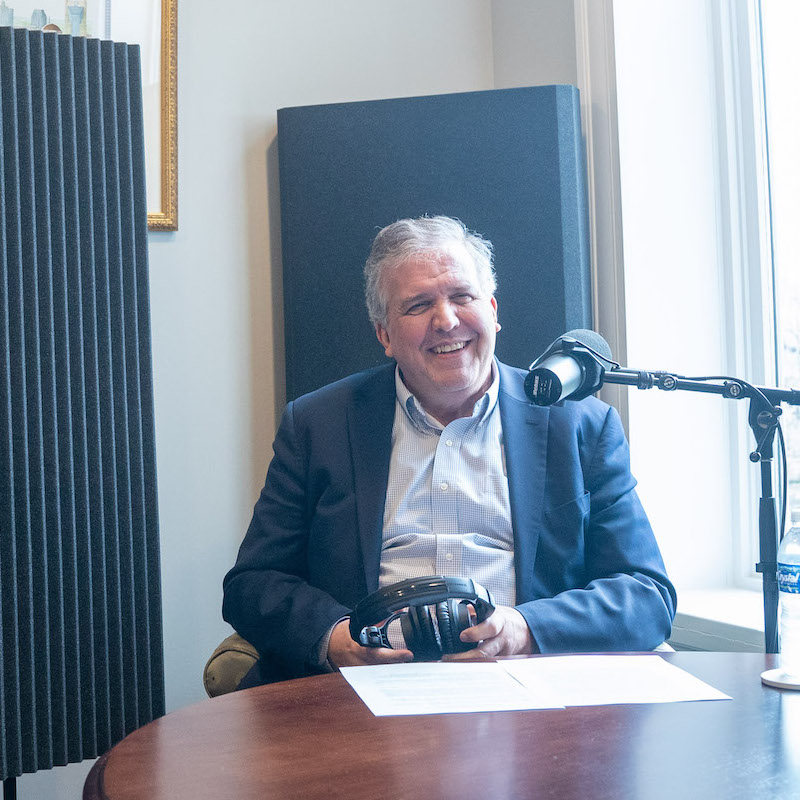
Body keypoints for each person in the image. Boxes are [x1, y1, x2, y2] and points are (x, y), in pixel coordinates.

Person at [223, 215, 676, 685]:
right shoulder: (319, 424)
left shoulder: (580, 426)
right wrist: (336, 638)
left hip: (524, 688)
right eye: (418, 305)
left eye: (463, 296)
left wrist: (525, 629)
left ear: (494, 310)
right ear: (384, 334)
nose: (447, 320)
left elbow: (646, 594)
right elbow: (252, 584)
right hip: (359, 694)